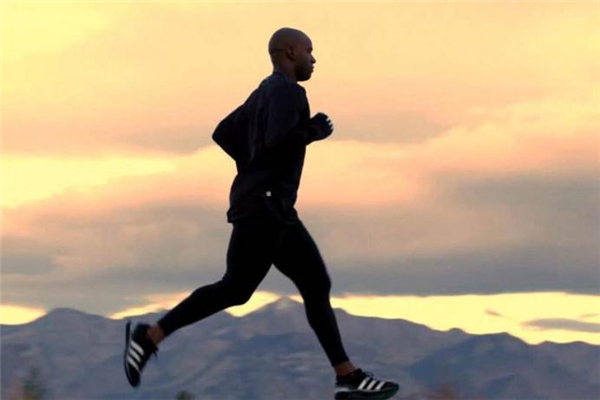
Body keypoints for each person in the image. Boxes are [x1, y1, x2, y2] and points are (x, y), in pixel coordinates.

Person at [123, 27, 400, 400]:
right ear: (289, 53)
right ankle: (150, 335)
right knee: (238, 288)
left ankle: (347, 376)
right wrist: (312, 131)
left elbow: (223, 132)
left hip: (271, 207)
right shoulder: (288, 91)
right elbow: (277, 142)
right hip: (266, 208)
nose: (314, 59)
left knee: (311, 283)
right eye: (309, 51)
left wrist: (251, 166)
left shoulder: (262, 92)